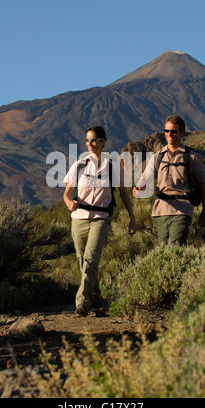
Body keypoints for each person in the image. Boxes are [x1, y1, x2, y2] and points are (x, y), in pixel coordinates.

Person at [63, 126, 137, 316]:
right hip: (79, 218)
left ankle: (82, 303)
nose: (90, 144)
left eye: (94, 140)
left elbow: (123, 194)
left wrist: (132, 217)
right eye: (88, 140)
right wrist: (68, 202)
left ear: (104, 142)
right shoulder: (79, 165)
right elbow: (67, 192)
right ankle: (96, 298)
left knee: (90, 259)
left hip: (101, 219)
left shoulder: (112, 167)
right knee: (82, 261)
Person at [133, 115, 205, 246]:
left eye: (173, 131)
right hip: (161, 210)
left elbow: (203, 185)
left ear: (182, 133)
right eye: (167, 131)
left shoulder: (192, 157)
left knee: (175, 247)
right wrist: (138, 188)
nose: (169, 134)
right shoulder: (158, 157)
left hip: (182, 209)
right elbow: (145, 180)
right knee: (162, 250)